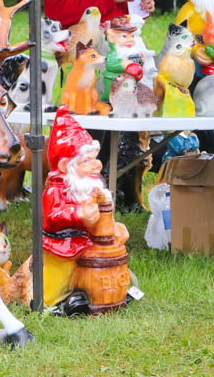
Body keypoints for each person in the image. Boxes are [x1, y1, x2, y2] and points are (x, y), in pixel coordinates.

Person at [41, 106, 129, 311]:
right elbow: (52, 216)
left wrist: (112, 226)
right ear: (65, 167)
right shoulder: (55, 192)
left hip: (88, 240)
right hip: (63, 245)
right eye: (86, 161)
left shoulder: (90, 188)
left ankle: (106, 293)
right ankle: (55, 302)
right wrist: (78, 214)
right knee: (58, 278)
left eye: (95, 159)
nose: (96, 165)